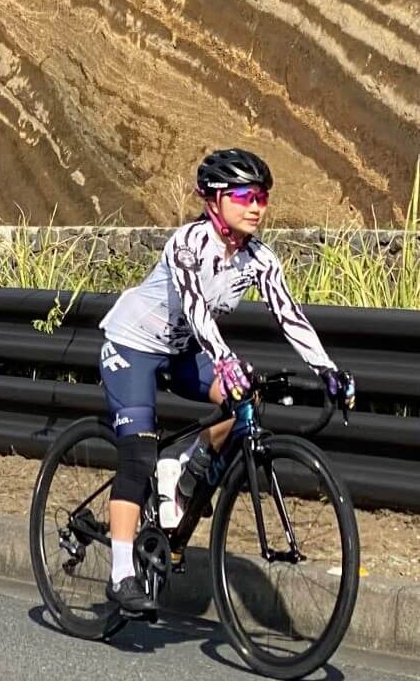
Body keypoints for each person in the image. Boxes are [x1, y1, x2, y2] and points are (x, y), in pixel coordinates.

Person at [95, 148, 355, 615]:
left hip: (182, 351)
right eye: (245, 195)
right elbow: (195, 308)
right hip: (132, 345)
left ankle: (188, 470)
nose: (256, 205)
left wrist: (327, 369)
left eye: (263, 197)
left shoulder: (258, 258)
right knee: (137, 454)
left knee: (245, 401)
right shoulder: (188, 244)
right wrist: (226, 359)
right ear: (215, 201)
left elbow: (289, 315)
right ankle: (120, 574)